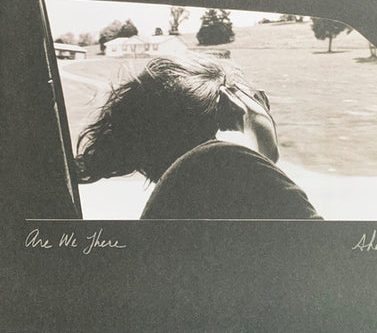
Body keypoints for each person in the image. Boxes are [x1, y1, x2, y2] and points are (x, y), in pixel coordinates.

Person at [76, 54, 321, 219]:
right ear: (232, 106)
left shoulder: (177, 202)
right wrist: (256, 144)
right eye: (258, 98)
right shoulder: (228, 163)